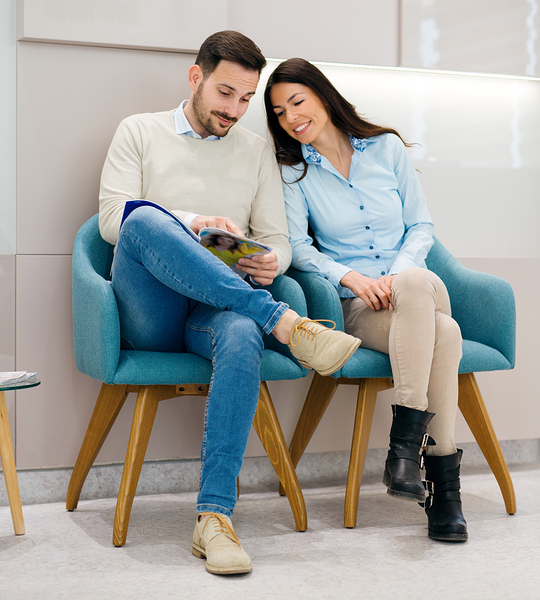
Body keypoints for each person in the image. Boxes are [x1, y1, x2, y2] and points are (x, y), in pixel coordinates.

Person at [97, 34, 361, 575]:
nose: (235, 111)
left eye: (246, 98)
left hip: (216, 307)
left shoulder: (256, 149)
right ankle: (286, 323)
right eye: (225, 93)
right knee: (144, 218)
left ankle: (213, 519)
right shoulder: (139, 131)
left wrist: (272, 263)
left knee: (241, 332)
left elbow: (279, 240)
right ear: (195, 78)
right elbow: (111, 223)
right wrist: (193, 224)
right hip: (154, 310)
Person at [265, 58, 468, 542]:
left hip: (414, 287)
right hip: (359, 307)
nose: (291, 117)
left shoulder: (386, 148)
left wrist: (397, 277)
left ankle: (403, 448)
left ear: (322, 94)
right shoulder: (293, 171)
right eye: (277, 112)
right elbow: (299, 247)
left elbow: (421, 225)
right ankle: (444, 489)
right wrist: (352, 278)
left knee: (416, 285)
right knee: (448, 332)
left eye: (297, 101)